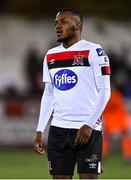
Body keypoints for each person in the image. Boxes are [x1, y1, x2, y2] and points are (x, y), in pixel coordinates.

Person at [33, 8, 111, 179]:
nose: (58, 27)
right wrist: (40, 130)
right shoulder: (51, 55)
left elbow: (105, 91)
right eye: (56, 23)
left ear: (77, 25)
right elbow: (48, 93)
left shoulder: (94, 51)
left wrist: (89, 124)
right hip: (58, 132)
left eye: (63, 22)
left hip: (87, 131)